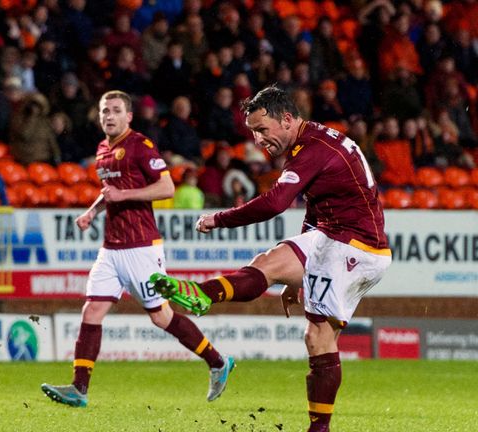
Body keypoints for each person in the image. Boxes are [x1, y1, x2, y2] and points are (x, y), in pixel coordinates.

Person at [150, 86, 391, 432]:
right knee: (282, 280)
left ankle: (203, 294)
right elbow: (316, 205)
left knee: (312, 327)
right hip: (335, 236)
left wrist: (219, 219)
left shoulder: (311, 148)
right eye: (253, 133)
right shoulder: (315, 140)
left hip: (354, 247)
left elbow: (276, 203)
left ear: (288, 119)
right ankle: (202, 294)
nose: (260, 140)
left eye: (263, 129)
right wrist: (302, 274)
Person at [41, 90, 234, 408]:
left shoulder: (140, 146)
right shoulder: (103, 149)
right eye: (105, 111)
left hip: (142, 247)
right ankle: (79, 388)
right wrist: (92, 211)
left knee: (161, 317)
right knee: (92, 311)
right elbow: (111, 192)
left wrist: (124, 196)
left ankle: (217, 362)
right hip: (111, 248)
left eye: (116, 110)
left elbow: (166, 186)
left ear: (128, 116)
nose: (109, 116)